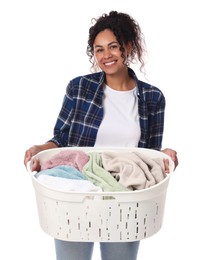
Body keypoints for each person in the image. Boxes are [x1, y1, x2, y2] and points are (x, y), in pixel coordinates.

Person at [24, 10, 178, 260]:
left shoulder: (153, 98)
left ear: (127, 47)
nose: (106, 55)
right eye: (99, 49)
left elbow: (148, 154)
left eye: (113, 47)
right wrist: (39, 148)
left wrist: (165, 155)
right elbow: (61, 138)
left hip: (124, 195)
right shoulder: (79, 87)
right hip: (77, 189)